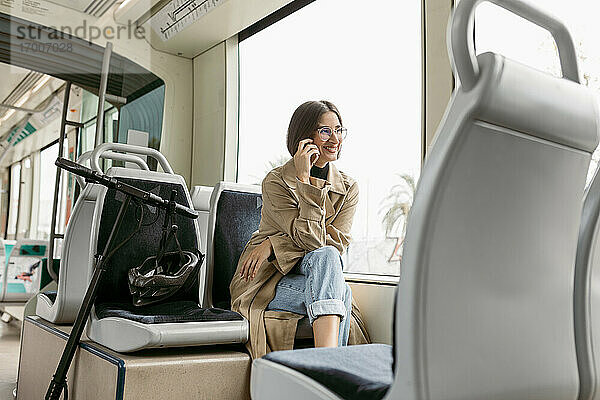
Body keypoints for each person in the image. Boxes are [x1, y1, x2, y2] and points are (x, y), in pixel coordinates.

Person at [229, 100, 370, 359]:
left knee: (328, 258)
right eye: (325, 131)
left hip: (316, 274)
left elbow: (329, 247)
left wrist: (273, 244)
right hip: (266, 280)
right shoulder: (275, 181)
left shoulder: (349, 187)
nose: (335, 138)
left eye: (338, 130)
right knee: (341, 291)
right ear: (304, 137)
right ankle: (331, 366)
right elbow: (314, 241)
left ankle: (325, 366)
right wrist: (304, 181)